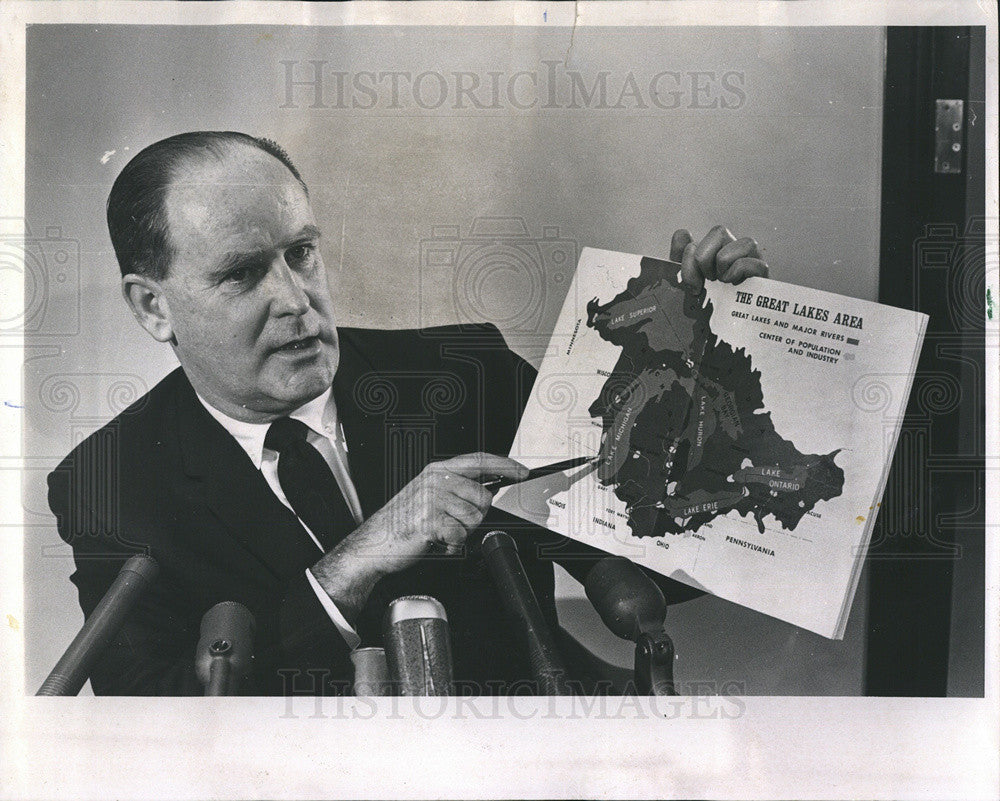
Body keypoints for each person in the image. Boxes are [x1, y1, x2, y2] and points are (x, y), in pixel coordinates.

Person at [47, 131, 769, 695]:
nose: (296, 301)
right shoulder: (111, 479)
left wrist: (697, 366)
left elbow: (675, 568)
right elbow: (154, 725)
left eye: (301, 253)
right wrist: (350, 565)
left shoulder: (466, 373)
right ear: (152, 306)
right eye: (241, 273)